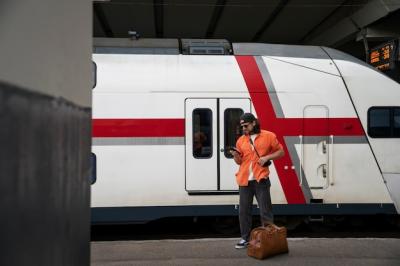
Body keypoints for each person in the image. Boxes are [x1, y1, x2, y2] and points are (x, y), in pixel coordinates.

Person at [230, 113, 285, 249]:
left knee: (265, 211)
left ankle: (269, 238)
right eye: (242, 126)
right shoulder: (241, 140)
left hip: (261, 179)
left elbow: (281, 152)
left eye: (246, 125)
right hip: (244, 181)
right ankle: (245, 238)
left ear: (254, 123)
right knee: (244, 211)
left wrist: (266, 158)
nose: (244, 128)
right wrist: (236, 156)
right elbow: (239, 162)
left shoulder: (269, 136)